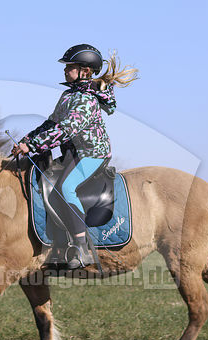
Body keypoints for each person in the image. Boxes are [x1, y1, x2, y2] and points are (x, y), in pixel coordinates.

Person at [12, 44, 138, 268]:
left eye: (70, 66)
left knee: (67, 187)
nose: (65, 70)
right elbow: (52, 123)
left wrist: (32, 145)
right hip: (72, 154)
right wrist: (27, 140)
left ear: (85, 71)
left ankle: (81, 248)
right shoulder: (68, 95)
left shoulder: (86, 101)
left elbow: (66, 130)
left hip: (92, 155)